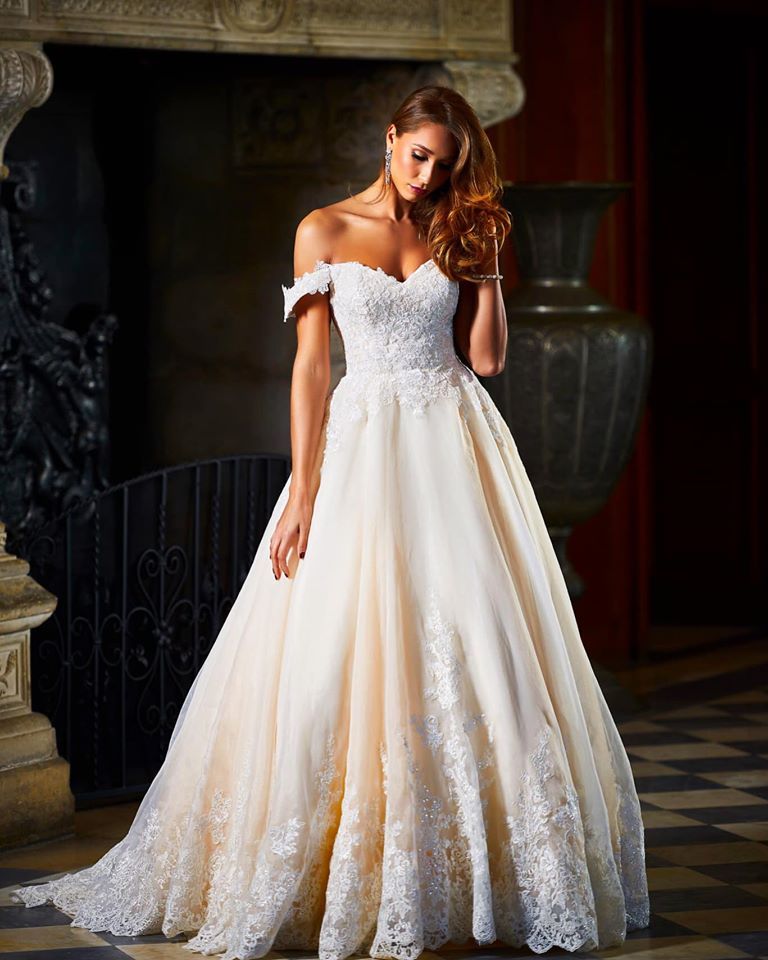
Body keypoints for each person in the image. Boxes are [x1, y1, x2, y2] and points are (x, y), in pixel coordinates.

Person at [12, 85, 649, 960]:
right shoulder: (324, 229)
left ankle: (482, 873)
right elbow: (311, 369)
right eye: (418, 154)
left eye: (445, 164)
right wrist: (304, 490)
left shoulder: (463, 231)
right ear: (389, 140)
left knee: (475, 638)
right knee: (338, 642)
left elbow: (489, 358)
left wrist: (492, 262)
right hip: (361, 450)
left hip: (454, 443)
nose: (428, 176)